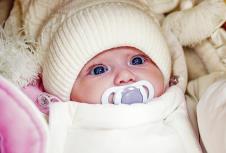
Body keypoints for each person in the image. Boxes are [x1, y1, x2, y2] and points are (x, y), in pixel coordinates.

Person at [37, 0, 203, 153]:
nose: (124, 75)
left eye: (137, 60)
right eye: (99, 70)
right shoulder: (52, 123)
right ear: (67, 93)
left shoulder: (185, 104)